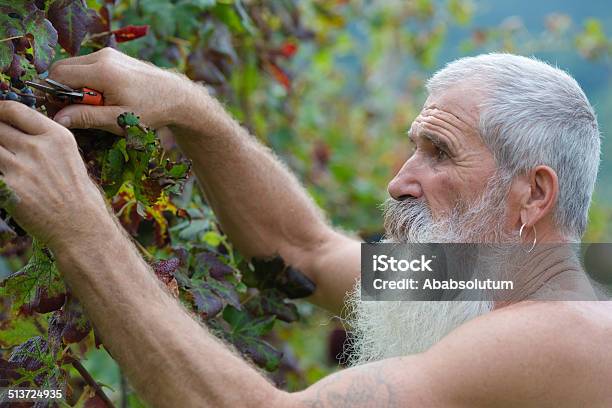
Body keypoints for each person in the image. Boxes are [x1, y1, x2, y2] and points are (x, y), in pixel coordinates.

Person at [0, 48, 610, 407]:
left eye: (440, 153)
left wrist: (80, 228)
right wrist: (188, 109)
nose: (399, 181)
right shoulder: (477, 280)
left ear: (533, 194)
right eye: (413, 149)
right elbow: (302, 252)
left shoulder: (564, 339)